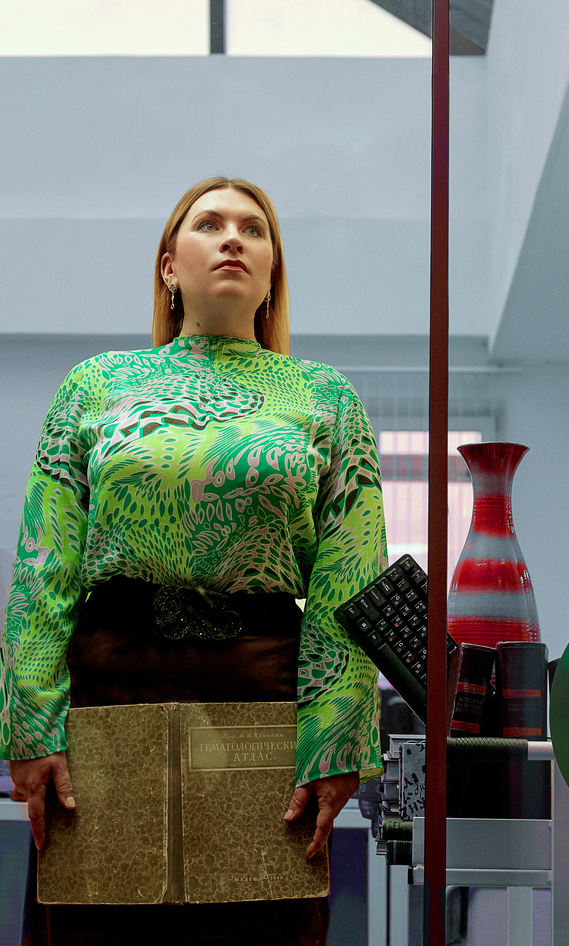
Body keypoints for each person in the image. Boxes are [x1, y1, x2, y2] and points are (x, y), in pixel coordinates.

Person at [0, 177, 387, 946]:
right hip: (110, 690)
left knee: (259, 926)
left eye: (254, 229)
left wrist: (337, 739)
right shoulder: (95, 385)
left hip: (259, 694)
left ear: (272, 272)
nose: (233, 237)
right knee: (100, 923)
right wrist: (30, 724)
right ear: (169, 267)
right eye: (209, 223)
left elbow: (350, 579)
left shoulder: (324, 397)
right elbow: (43, 568)